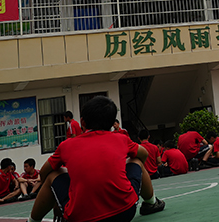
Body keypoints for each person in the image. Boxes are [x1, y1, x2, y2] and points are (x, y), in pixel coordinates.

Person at [28, 95, 164, 222]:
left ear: (82, 122)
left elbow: (44, 172)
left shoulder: (66, 145)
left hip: (81, 218)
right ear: (112, 123)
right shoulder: (121, 139)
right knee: (136, 161)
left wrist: (56, 200)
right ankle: (151, 203)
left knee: (53, 174)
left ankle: (32, 220)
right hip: (125, 212)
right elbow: (144, 153)